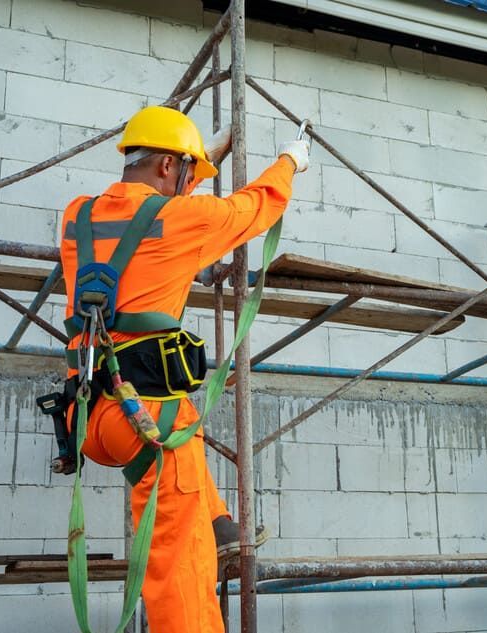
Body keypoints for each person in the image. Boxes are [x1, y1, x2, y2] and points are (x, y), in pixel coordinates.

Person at [58, 105, 309, 633]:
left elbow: (145, 215)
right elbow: (253, 208)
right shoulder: (184, 220)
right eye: (188, 174)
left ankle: (218, 524)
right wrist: (290, 160)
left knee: (187, 430)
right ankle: (205, 543)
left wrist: (200, 157)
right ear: (171, 168)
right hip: (143, 421)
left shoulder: (76, 216)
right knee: (180, 567)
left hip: (86, 418)